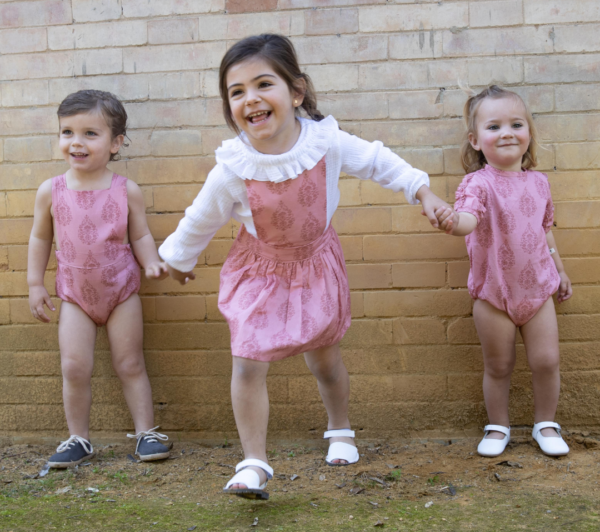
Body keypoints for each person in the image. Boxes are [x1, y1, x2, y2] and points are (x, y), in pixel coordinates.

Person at [158, 34, 449, 499]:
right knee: (248, 363)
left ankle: (340, 428)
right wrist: (175, 258)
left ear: (295, 92)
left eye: (262, 84)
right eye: (236, 92)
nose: (250, 98)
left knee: (326, 360)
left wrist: (422, 191)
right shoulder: (233, 166)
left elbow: (377, 161)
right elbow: (202, 216)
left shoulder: (325, 142)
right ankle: (254, 460)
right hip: (260, 272)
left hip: (315, 265)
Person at [28, 90, 171, 467]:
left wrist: (151, 262)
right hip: (74, 295)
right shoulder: (51, 191)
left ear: (115, 143)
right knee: (74, 367)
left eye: (90, 133)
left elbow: (139, 235)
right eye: (67, 132)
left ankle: (147, 433)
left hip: (121, 291)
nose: (76, 142)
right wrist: (34, 283)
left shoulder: (127, 191)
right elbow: (41, 238)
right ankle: (78, 438)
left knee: (130, 363)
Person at [436, 85, 572, 458]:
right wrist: (452, 221)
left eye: (516, 124)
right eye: (494, 126)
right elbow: (467, 219)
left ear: (528, 132)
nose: (507, 132)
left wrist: (559, 270)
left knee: (546, 361)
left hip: (538, 290)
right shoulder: (478, 183)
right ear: (475, 140)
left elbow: (545, 231)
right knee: (498, 365)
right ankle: (498, 426)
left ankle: (546, 423)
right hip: (493, 293)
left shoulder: (539, 182)